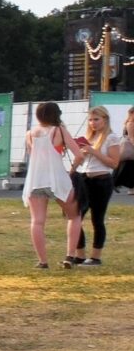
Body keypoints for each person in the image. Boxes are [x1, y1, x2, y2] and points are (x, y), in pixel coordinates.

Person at [67, 107, 124, 267]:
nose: (93, 123)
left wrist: (94, 151)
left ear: (105, 119)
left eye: (96, 119)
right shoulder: (88, 137)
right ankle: (79, 255)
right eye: (91, 120)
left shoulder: (111, 138)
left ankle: (95, 257)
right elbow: (80, 159)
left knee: (97, 219)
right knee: (76, 216)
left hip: (102, 179)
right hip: (85, 178)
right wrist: (72, 170)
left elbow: (113, 163)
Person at [21, 101, 75, 269]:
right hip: (57, 177)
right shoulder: (59, 131)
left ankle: (43, 261)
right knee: (74, 215)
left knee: (37, 221)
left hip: (36, 179)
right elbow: (78, 154)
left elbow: (34, 155)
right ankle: (70, 255)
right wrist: (72, 171)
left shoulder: (29, 134)